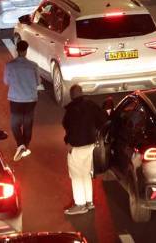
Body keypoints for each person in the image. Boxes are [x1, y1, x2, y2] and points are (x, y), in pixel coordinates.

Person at [61, 85, 107, 215]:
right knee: (86, 173)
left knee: (76, 175)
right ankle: (89, 201)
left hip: (77, 146)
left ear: (71, 95)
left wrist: (68, 141)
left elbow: (67, 125)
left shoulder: (71, 110)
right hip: (91, 145)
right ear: (82, 93)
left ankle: (80, 204)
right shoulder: (91, 105)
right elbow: (103, 120)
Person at [4, 40, 42, 162]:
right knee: (27, 124)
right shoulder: (33, 66)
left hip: (15, 99)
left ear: (17, 50)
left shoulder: (10, 65)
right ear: (26, 51)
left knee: (14, 124)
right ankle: (24, 146)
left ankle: (20, 144)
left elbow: (6, 81)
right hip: (30, 98)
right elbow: (38, 82)